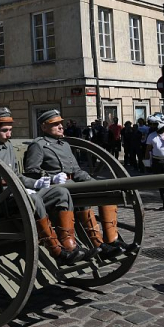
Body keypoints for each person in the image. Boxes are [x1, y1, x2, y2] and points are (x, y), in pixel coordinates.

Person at [0, 108, 96, 265]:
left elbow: (17, 175)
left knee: (60, 193)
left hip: (17, 195)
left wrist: (36, 183)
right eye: (4, 131)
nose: (9, 134)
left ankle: (69, 243)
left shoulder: (8, 147)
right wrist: (16, 188)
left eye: (10, 130)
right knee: (33, 198)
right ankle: (56, 250)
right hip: (0, 202)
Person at [24, 109, 134, 259]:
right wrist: (52, 177)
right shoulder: (38, 145)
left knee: (107, 190)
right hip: (57, 187)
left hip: (73, 183)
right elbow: (31, 171)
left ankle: (111, 240)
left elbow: (76, 169)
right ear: (44, 127)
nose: (61, 127)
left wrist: (92, 182)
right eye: (55, 124)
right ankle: (96, 243)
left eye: (60, 123)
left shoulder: (64, 145)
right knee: (81, 194)